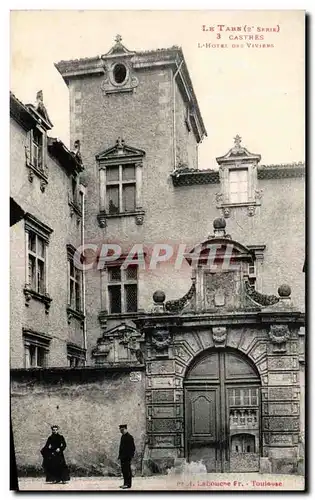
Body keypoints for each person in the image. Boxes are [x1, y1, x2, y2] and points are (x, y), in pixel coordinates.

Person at [118, 424, 135, 489]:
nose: (121, 431)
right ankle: (125, 483)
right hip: (122, 457)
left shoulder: (129, 437)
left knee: (127, 471)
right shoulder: (123, 437)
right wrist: (120, 456)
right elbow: (121, 448)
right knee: (124, 471)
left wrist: (130, 456)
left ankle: (128, 484)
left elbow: (133, 448)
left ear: (125, 429)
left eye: (122, 430)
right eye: (120, 430)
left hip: (127, 457)